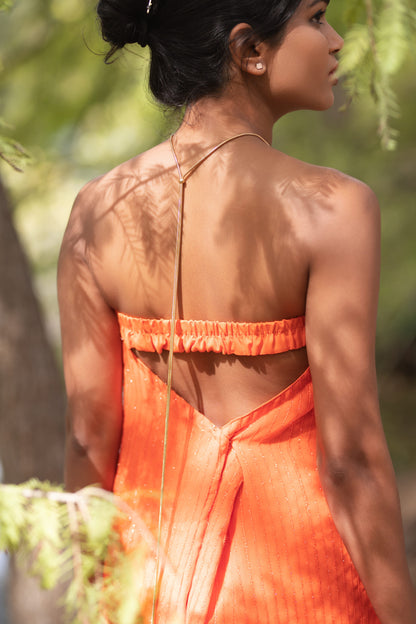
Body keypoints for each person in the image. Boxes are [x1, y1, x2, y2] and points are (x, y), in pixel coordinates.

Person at [58, 0, 416, 622]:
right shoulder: (332, 209)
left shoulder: (95, 211)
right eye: (316, 17)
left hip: (148, 595)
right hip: (302, 593)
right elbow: (351, 461)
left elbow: (90, 439)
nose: (336, 41)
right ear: (250, 51)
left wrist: (92, 603)